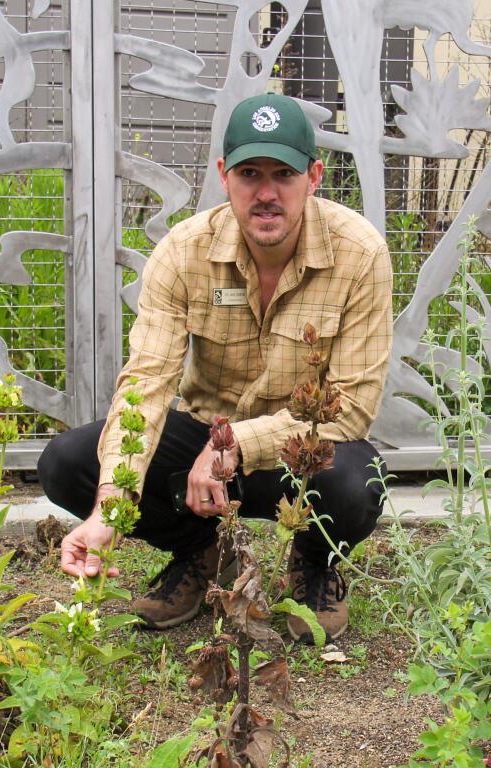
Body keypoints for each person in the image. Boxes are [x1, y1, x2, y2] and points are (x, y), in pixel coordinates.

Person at [39, 93, 392, 643]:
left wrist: (237, 444)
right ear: (224, 175)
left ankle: (314, 564)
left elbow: (351, 406)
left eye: (284, 173)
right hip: (201, 449)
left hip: (298, 449)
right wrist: (111, 506)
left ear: (314, 176)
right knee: (69, 462)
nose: (267, 193)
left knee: (355, 480)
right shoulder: (183, 251)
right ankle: (201, 552)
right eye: (250, 173)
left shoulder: (360, 253)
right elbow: (147, 385)